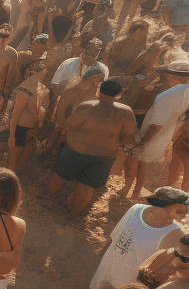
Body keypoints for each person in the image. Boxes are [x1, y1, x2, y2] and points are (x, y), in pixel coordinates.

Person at [88, 187, 189, 289]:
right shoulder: (135, 210)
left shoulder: (175, 234)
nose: (183, 216)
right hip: (107, 272)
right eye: (180, 210)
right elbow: (113, 239)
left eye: (186, 212)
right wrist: (96, 264)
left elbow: (170, 272)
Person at [47, 79, 138, 216]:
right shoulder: (126, 112)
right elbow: (130, 136)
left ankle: (46, 203)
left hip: (76, 149)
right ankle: (73, 214)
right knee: (86, 187)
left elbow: (68, 125)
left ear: (99, 91)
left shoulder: (87, 106)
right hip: (103, 156)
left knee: (59, 177)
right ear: (119, 95)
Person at [122, 60, 189, 202]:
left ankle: (129, 190)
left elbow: (156, 125)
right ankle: (135, 191)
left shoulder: (166, 97)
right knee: (144, 163)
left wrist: (142, 143)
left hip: (152, 134)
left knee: (136, 162)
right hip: (165, 135)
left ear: (172, 77)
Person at [7, 59, 48, 171]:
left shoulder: (42, 87)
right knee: (13, 162)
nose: (42, 68)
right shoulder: (25, 89)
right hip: (20, 129)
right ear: (32, 71)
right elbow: (15, 114)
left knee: (23, 160)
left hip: (33, 129)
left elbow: (44, 108)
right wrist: (12, 135)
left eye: (43, 66)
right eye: (38, 67)